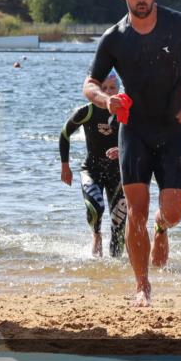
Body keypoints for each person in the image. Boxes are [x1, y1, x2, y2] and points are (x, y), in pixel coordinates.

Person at [84, 0, 181, 308]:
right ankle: (141, 286)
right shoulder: (114, 38)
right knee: (135, 210)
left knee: (172, 213)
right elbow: (90, 83)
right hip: (134, 131)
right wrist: (105, 100)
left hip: (174, 129)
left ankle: (162, 226)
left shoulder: (180, 26)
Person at [60, 72, 126, 258]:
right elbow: (65, 133)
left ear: (118, 90)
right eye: (103, 88)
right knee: (95, 209)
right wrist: (65, 165)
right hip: (92, 170)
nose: (108, 93)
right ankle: (96, 234)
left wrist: (122, 151)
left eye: (112, 88)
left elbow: (141, 139)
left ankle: (116, 273)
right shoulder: (87, 111)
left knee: (119, 228)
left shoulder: (125, 112)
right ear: (96, 91)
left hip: (118, 173)